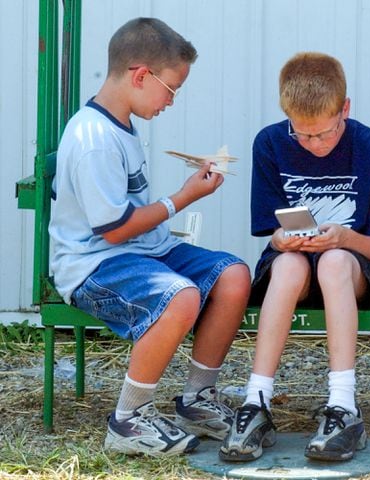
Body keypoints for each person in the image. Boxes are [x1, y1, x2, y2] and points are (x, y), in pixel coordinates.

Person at [48, 17, 251, 457]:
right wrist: (183, 197)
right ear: (141, 75)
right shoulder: (95, 138)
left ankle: (197, 400)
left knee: (233, 276)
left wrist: (181, 198)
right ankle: (129, 420)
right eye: (172, 89)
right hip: (93, 264)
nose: (172, 101)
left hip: (141, 251)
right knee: (180, 296)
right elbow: (115, 227)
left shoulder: (120, 125)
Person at [219, 52, 370, 462]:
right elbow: (271, 233)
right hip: (292, 272)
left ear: (345, 109)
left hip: (351, 272)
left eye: (325, 133)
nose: (314, 144)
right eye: (304, 135)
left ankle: (343, 406)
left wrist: (344, 237)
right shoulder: (271, 142)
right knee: (288, 263)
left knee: (332, 261)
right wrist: (283, 240)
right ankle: (256, 401)